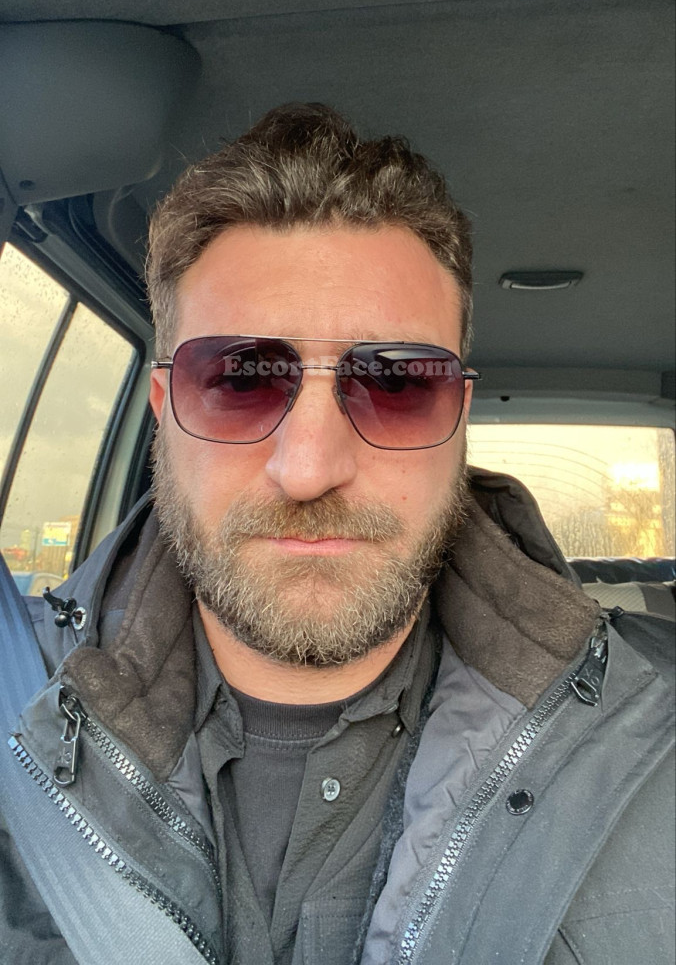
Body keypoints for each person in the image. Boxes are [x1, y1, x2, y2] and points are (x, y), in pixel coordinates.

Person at [1, 104, 673, 965]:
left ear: (459, 418)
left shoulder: (656, 734)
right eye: (239, 378)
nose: (309, 468)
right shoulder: (18, 710)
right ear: (165, 409)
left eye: (397, 384)